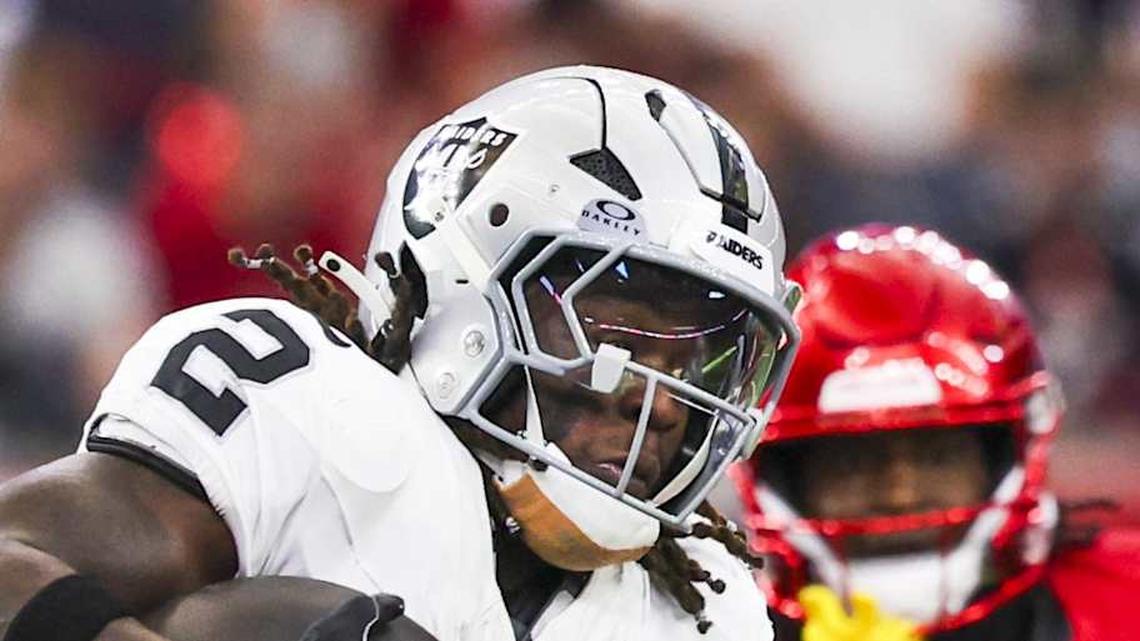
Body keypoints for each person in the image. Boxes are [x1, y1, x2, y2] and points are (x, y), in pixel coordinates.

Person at [0, 66, 802, 641]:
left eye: (694, 359)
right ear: (459, 278)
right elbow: (14, 560)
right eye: (617, 332)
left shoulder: (708, 606)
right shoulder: (310, 403)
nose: (659, 401)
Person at [731, 224, 1140, 641]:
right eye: (854, 461)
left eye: (936, 456)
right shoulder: (712, 624)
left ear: (1005, 454)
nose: (900, 494)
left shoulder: (1125, 605)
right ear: (779, 473)